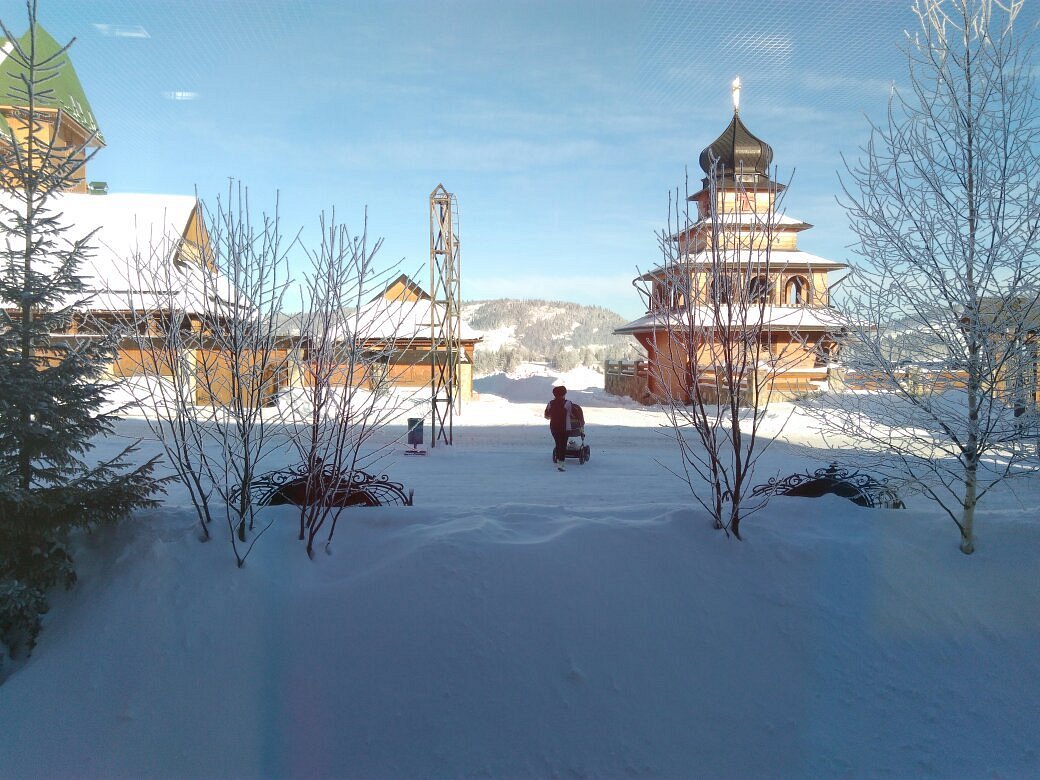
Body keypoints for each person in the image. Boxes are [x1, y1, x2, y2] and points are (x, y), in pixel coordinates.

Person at [544, 385, 581, 471]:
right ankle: (561, 463)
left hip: (553, 427)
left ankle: (558, 460)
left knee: (558, 443)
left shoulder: (550, 403)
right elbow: (575, 414)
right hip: (565, 428)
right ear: (564, 394)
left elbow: (546, 415)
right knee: (563, 444)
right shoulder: (567, 403)